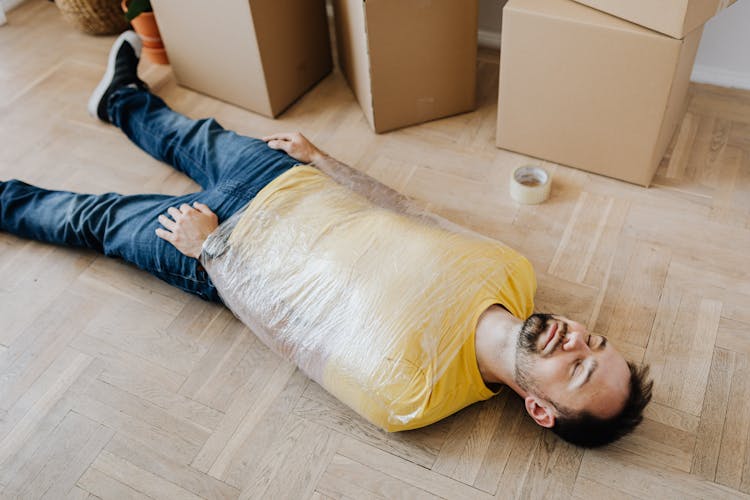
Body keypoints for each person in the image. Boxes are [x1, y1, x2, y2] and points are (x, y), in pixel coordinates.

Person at [0, 32, 652, 447]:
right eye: (594, 340)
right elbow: (412, 211)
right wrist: (322, 160)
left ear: (541, 409)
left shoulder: (415, 397)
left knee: (98, 219)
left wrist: (213, 251)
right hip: (288, 183)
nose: (577, 341)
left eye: (579, 369)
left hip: (228, 250)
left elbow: (290, 335)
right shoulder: (515, 273)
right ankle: (120, 101)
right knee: (189, 136)